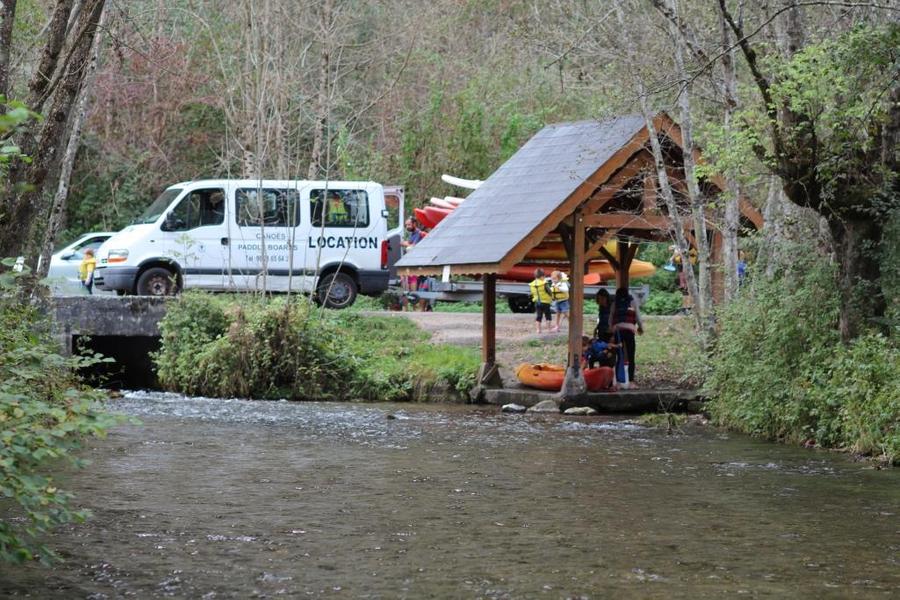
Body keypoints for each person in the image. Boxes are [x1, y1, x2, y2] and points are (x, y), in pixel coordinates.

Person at [611, 287, 644, 387]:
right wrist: (641, 327)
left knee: (618, 357)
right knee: (631, 357)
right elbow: (637, 316)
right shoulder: (632, 302)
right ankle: (631, 382)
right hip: (629, 331)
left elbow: (611, 317)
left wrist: (612, 329)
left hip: (618, 332)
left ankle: (618, 383)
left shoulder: (615, 303)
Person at [528, 268, 553, 334]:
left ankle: (538, 330)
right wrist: (552, 296)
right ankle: (549, 329)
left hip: (537, 302)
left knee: (539, 316)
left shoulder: (532, 284)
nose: (544, 278)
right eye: (544, 276)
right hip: (545, 302)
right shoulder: (544, 283)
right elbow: (550, 292)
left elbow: (532, 293)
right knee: (548, 316)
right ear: (542, 276)